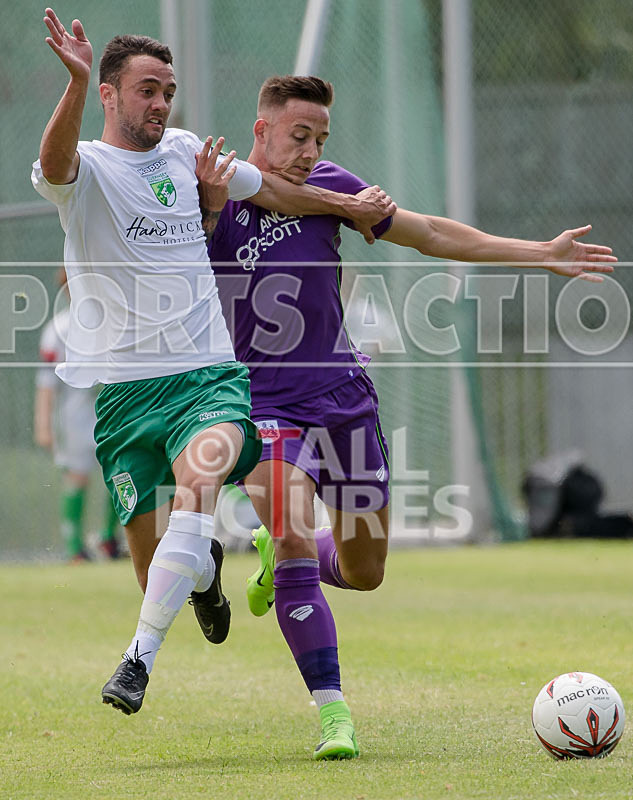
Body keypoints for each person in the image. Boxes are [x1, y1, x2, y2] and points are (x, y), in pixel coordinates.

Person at [206, 75, 617, 760]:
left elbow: (427, 232)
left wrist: (536, 253)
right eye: (298, 136)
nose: (310, 151)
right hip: (261, 404)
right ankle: (332, 714)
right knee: (291, 528)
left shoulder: (333, 187)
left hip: (343, 401)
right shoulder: (214, 190)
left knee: (365, 570)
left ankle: (278, 554)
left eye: (320, 139)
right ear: (262, 129)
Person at [31, 11, 395, 719]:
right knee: (154, 570)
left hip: (207, 377)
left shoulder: (188, 150)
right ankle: (202, 572)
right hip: (127, 394)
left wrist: (346, 205)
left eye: (167, 89)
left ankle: (138, 661)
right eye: (145, 89)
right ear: (109, 96)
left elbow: (280, 193)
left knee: (201, 485)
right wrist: (71, 82)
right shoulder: (88, 168)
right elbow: (52, 165)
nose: (160, 102)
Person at [34, 272, 122, 562]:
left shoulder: (113, 320)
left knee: (120, 472)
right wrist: (43, 424)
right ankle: (74, 549)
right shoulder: (58, 329)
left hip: (110, 410)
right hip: (75, 416)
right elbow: (46, 384)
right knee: (77, 477)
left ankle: (110, 539)